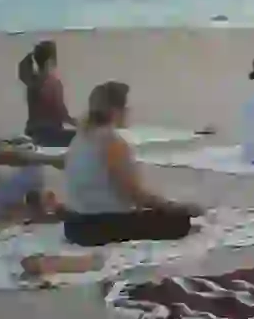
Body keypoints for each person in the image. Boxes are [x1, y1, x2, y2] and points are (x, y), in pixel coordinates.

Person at [63, 81, 204, 246]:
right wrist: (173, 207)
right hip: (96, 226)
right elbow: (133, 194)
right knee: (179, 221)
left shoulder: (79, 138)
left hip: (73, 224)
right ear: (115, 111)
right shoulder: (112, 142)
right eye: (126, 108)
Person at [0, 86, 67, 228]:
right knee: (33, 168)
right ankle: (38, 209)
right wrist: (54, 159)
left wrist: (5, 143)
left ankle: (33, 208)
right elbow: (12, 158)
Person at [18, 40, 77, 146]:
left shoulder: (32, 81)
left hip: (33, 133)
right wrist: (78, 123)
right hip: (49, 134)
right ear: (51, 60)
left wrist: (32, 55)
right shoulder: (52, 82)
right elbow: (60, 112)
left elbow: (22, 69)